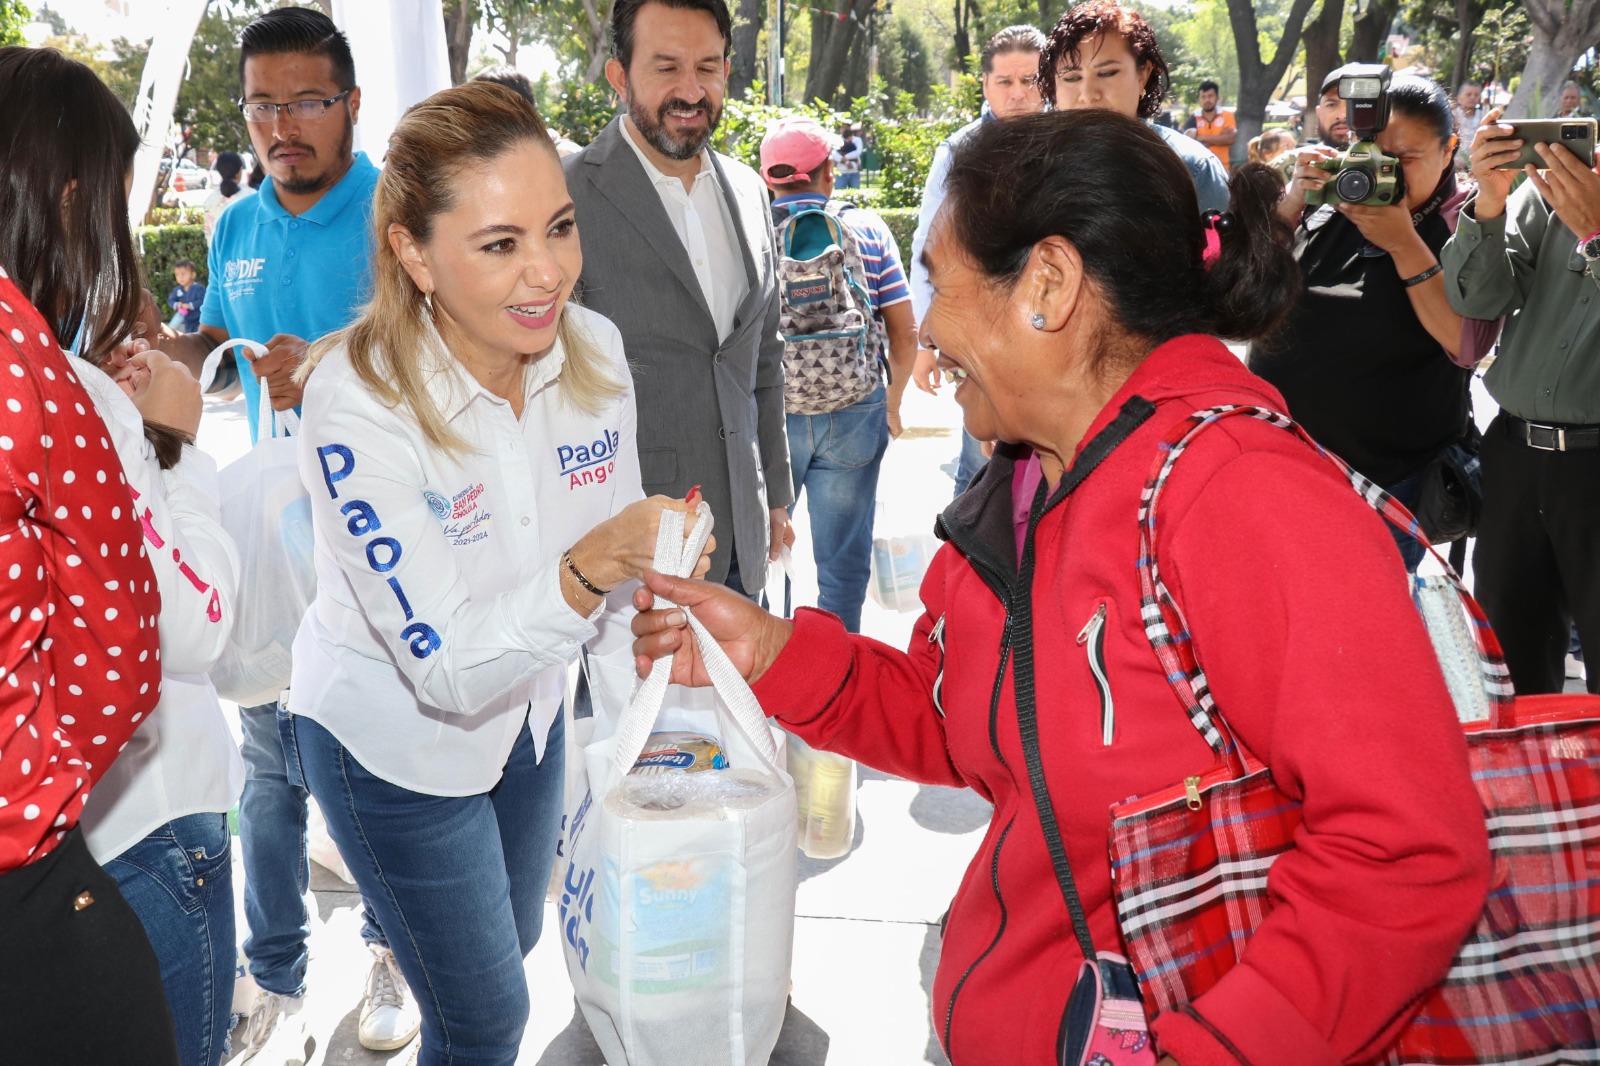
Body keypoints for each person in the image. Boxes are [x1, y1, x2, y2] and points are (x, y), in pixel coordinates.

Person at [627, 109, 1491, 1066]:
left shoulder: (1240, 492)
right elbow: (953, 717)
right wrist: (772, 652)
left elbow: (1406, 854)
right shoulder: (1024, 483)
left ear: (1047, 284)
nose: (933, 334)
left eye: (943, 286)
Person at [285, 80, 705, 1066]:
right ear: (413, 252)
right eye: (499, 244)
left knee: (509, 945)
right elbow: (449, 667)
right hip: (392, 745)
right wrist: (600, 561)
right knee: (486, 1020)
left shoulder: (592, 349)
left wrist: (647, 603)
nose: (546, 273)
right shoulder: (353, 402)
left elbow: (617, 554)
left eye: (558, 228)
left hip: (532, 719)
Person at [150, 7, 419, 1057]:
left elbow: (450, 354)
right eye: (263, 104)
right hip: (278, 541)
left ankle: (395, 951)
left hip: (387, 543)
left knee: (373, 764)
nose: (281, 126)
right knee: (265, 772)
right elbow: (218, 327)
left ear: (351, 104)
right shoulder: (235, 225)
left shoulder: (398, 211)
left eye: (305, 101)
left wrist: (338, 367)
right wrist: (171, 346)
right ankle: (275, 970)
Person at [0, 47, 245, 1066]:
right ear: (68, 198)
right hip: (134, 833)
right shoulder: (68, 394)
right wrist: (173, 442)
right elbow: (188, 627)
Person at [564, 0, 794, 598]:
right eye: (666, 68)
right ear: (619, 76)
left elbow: (761, 361)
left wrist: (776, 495)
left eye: (708, 67)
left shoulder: (749, 191)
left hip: (743, 535)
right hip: (626, 547)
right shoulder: (563, 196)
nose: (691, 90)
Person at [1251, 76, 1472, 571]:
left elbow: (1466, 342)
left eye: (1405, 159)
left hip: (1389, 485)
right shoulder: (1337, 201)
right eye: (1368, 151)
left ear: (1449, 148)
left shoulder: (1467, 224)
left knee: (1374, 630)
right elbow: (1245, 298)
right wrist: (1290, 205)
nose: (1383, 172)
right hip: (1286, 470)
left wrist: (1401, 242)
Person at [1442, 106, 1600, 695]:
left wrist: (1595, 233)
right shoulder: (1555, 185)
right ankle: (1528, 790)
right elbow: (1479, 300)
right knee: (1512, 668)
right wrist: (1488, 198)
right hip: (1516, 455)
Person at [760, 115, 918, 631]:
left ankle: (761, 679)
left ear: (769, 178)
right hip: (855, 409)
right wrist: (892, 406)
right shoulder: (867, 229)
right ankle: (837, 682)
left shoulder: (750, 232)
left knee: (760, 559)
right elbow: (905, 332)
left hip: (772, 415)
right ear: (828, 173)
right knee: (842, 568)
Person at [909, 24, 1047, 497]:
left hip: (1058, 331)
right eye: (1005, 82)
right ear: (985, 86)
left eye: (1030, 80)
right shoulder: (958, 152)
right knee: (979, 471)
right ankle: (967, 565)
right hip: (982, 338)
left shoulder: (1071, 143)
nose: (1017, 94)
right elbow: (929, 246)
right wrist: (925, 344)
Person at [1039, 1, 1230, 214]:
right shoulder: (1028, 172)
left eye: (1107, 73)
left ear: (1143, 74)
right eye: (1072, 78)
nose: (1089, 95)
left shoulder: (1194, 169)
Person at [1183, 78, 1236, 172]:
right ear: (1199, 99)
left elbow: (1230, 139)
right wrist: (1219, 139)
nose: (1207, 100)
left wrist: (1201, 137)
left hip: (1222, 169)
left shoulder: (1227, 115)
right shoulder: (1193, 118)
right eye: (1203, 96)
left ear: (1217, 97)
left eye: (1210, 96)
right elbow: (1188, 143)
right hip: (1199, 170)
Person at [201, 150, 253, 243]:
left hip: (219, 255)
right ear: (240, 171)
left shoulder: (210, 201)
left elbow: (208, 234)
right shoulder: (252, 196)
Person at [1313, 64, 1356, 146]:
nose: (1342, 115)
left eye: (1354, 104)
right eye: (1331, 105)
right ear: (1318, 113)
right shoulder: (1297, 158)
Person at [167, 258, 206, 332]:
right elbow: (170, 300)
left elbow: (203, 300)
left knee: (199, 335)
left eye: (183, 274)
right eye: (177, 275)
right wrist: (177, 304)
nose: (180, 277)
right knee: (188, 335)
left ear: (193, 275)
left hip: (199, 319)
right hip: (186, 319)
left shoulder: (198, 288)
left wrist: (190, 305)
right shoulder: (178, 290)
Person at [1454, 80, 1484, 171]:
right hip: (1455, 167)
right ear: (1459, 98)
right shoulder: (1452, 117)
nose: (1472, 97)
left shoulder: (1485, 116)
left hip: (1478, 168)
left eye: (1476, 95)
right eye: (1468, 94)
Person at [832, 121, 863, 189]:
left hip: (854, 171)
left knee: (855, 194)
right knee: (839, 194)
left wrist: (846, 157)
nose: (844, 129)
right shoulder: (836, 139)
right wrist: (846, 162)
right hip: (841, 172)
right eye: (842, 127)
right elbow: (833, 153)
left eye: (846, 127)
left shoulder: (857, 139)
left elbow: (858, 152)